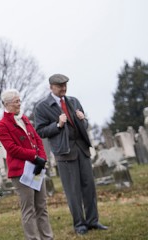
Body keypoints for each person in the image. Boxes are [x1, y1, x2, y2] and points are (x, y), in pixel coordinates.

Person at [33, 74, 108, 235]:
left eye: (65, 85)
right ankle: (79, 224)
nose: (64, 88)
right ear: (51, 87)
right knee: (73, 191)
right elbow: (40, 131)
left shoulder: (73, 101)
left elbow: (84, 124)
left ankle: (93, 221)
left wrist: (83, 119)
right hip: (64, 153)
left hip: (82, 149)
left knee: (89, 187)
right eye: (60, 86)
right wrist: (58, 125)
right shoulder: (42, 107)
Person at [0, 89, 54, 240]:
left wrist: (42, 159)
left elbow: (37, 140)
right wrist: (34, 157)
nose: (19, 104)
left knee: (42, 207)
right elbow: (12, 149)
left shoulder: (25, 119)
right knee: (29, 209)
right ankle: (33, 238)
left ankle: (47, 237)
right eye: (16, 101)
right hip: (21, 172)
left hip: (36, 168)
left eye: (19, 101)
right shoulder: (3, 125)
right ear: (7, 104)